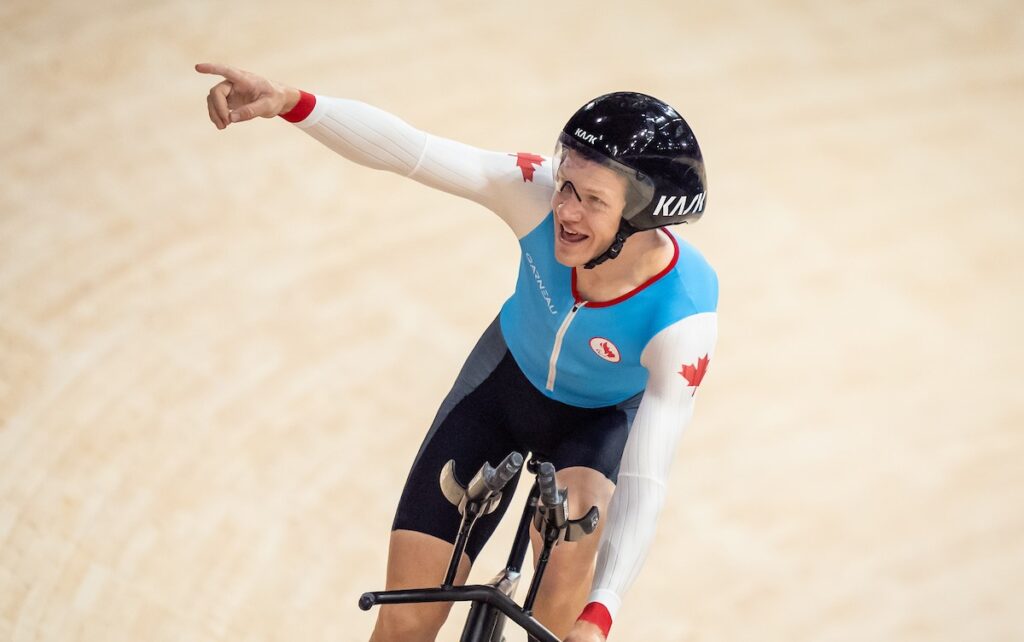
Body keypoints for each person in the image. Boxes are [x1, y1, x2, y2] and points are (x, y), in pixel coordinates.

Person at [196, 62, 718, 642]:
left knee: (569, 549)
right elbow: (411, 151)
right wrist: (289, 100)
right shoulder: (535, 197)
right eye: (566, 183)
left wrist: (602, 612)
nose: (566, 209)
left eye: (593, 199)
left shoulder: (684, 316)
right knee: (406, 622)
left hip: (593, 429)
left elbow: (647, 477)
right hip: (502, 390)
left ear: (642, 219)